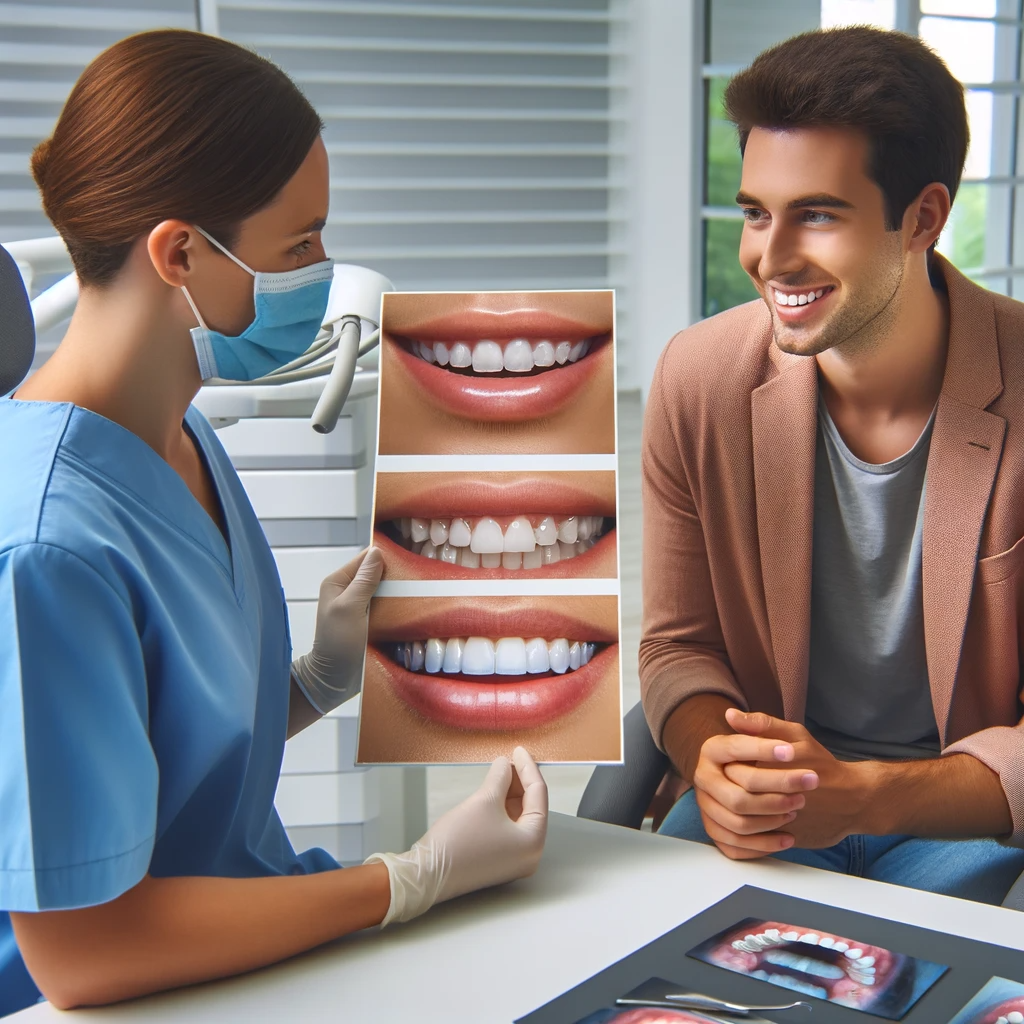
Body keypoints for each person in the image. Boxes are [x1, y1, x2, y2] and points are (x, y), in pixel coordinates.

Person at [0, 30, 547, 1017]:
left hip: (253, 935)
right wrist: (408, 878)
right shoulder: (44, 546)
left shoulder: (178, 436)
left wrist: (314, 683)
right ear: (179, 253)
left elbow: (161, 746)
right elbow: (84, 951)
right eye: (300, 246)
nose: (324, 273)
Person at [640, 25, 1024, 904]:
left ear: (922, 218)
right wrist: (717, 760)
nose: (768, 260)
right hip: (773, 818)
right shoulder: (698, 381)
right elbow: (678, 647)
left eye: (815, 213)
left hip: (968, 824)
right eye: (755, 212)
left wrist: (863, 796)